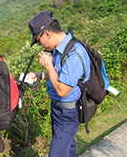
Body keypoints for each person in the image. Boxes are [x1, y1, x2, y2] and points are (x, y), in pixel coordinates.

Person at [28, 11, 91, 157]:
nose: (39, 45)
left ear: (47, 34)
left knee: (56, 154)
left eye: (38, 40)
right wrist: (39, 75)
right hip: (57, 109)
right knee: (68, 149)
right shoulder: (59, 49)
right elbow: (60, 77)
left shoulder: (74, 53)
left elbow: (62, 90)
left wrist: (48, 65)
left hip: (68, 113)